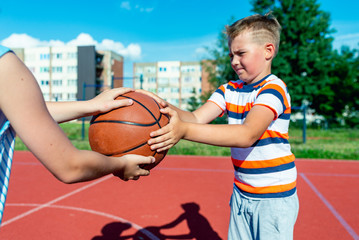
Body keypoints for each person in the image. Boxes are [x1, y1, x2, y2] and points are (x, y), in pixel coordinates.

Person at [141, 13, 299, 240]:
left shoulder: (273, 89)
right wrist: (155, 103)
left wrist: (183, 131)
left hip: (274, 197)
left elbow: (247, 134)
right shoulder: (229, 90)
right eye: (231, 54)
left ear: (268, 51)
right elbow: (195, 118)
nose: (234, 61)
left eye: (241, 53)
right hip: (242, 192)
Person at [0, 45, 154, 225]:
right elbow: (70, 167)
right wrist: (122, 164)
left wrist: (91, 105)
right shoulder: (4, 65)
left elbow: (22, 110)